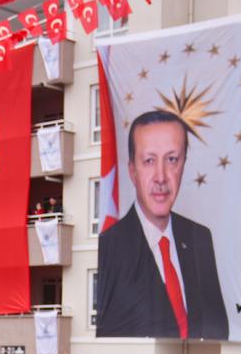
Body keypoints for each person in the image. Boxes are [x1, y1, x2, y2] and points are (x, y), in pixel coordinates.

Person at [96, 111, 229, 340]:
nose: (161, 177)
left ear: (184, 164)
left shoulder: (199, 237)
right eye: (149, 160)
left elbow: (217, 325)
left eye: (171, 159)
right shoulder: (111, 246)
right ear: (132, 170)